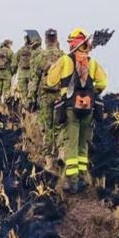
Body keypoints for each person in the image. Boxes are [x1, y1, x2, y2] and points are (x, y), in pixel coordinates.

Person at [46, 28, 107, 192]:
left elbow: (50, 81)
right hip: (89, 109)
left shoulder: (65, 60)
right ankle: (83, 178)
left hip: (70, 108)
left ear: (73, 44)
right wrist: (92, 92)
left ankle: (72, 182)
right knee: (83, 144)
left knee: (71, 144)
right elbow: (103, 83)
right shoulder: (92, 63)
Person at [29, 29, 64, 170]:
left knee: (47, 128)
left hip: (44, 96)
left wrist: (31, 98)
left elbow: (34, 80)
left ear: (45, 40)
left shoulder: (40, 57)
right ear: (56, 39)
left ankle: (49, 161)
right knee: (59, 126)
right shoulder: (63, 56)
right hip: (60, 95)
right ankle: (61, 152)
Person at [15, 32, 40, 109]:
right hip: (31, 74)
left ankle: (24, 108)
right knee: (32, 91)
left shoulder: (21, 50)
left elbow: (16, 60)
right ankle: (32, 106)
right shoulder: (34, 50)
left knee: (23, 93)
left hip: (22, 74)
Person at [0, 39, 14, 106]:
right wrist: (12, 72)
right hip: (7, 73)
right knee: (6, 90)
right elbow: (13, 64)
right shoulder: (10, 52)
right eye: (10, 44)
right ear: (8, 44)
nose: (11, 45)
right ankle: (5, 104)